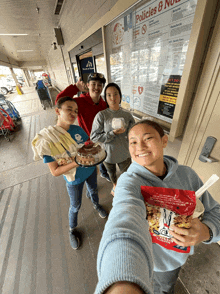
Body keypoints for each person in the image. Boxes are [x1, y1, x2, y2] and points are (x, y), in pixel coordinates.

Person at [95, 119, 220, 294]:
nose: (140, 146)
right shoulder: (128, 181)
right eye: (133, 142)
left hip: (171, 262)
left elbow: (215, 211)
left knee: (166, 288)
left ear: (164, 141)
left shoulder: (187, 176)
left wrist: (207, 231)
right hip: (137, 259)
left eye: (148, 138)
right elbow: (123, 217)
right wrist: (120, 282)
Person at [32, 96, 107, 250]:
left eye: (76, 111)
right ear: (58, 111)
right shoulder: (48, 140)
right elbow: (55, 171)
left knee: (93, 190)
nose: (73, 113)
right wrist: (77, 162)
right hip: (74, 179)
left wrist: (94, 148)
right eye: (69, 109)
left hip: (90, 170)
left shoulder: (78, 129)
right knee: (75, 205)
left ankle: (96, 205)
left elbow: (87, 145)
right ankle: (72, 230)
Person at [55, 73, 111, 182]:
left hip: (101, 140)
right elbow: (59, 101)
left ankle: (104, 172)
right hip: (87, 142)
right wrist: (75, 88)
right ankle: (90, 188)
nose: (96, 87)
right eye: (93, 84)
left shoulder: (104, 104)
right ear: (88, 85)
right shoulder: (80, 102)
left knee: (103, 157)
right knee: (90, 168)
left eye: (100, 85)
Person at [90, 83, 135, 196]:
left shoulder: (127, 115)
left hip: (125, 153)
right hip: (108, 154)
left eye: (115, 94)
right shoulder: (101, 115)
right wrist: (112, 133)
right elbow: (94, 137)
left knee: (127, 175)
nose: (113, 98)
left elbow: (133, 134)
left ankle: (127, 189)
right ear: (105, 98)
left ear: (120, 96)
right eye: (109, 95)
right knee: (112, 174)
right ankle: (115, 185)